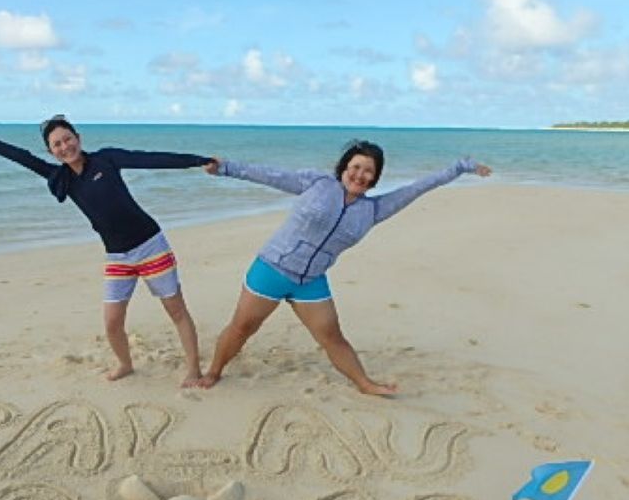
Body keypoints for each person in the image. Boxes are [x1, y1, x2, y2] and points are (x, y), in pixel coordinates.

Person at [198, 141, 492, 395]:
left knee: (332, 337)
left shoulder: (373, 210)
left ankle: (364, 383)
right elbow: (271, 175)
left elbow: (417, 188)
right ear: (344, 167)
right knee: (243, 327)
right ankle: (213, 372)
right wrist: (225, 168)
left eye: (368, 171)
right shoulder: (318, 183)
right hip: (272, 268)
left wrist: (459, 167)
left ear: (375, 178)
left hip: (310, 280)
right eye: (356, 167)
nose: (360, 175)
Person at [0, 114, 213, 387]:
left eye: (67, 139)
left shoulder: (106, 159)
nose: (65, 146)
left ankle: (193, 369)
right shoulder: (62, 178)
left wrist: (198, 160)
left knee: (176, 311)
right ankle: (125, 364)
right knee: (112, 322)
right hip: (118, 257)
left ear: (78, 138)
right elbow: (18, 155)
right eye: (57, 144)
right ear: (51, 152)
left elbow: (150, 159)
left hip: (150, 246)